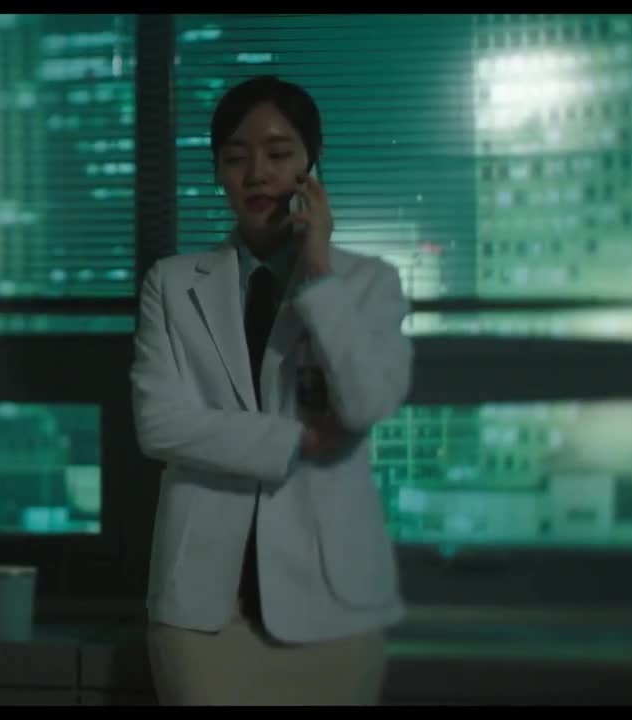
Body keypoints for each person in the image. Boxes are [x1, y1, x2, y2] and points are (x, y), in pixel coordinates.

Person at [129, 75, 413, 705]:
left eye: (279, 153)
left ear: (312, 162)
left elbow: (366, 403)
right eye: (236, 157)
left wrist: (318, 275)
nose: (257, 173)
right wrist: (292, 441)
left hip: (335, 602)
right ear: (217, 171)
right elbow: (158, 423)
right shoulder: (172, 284)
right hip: (205, 607)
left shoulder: (367, 283)